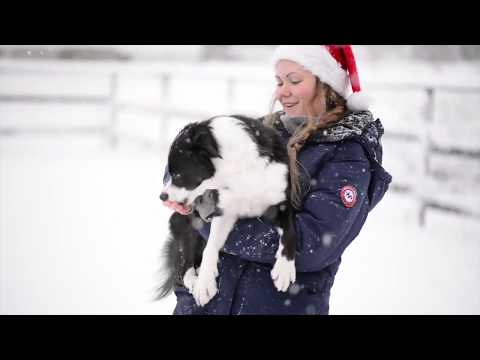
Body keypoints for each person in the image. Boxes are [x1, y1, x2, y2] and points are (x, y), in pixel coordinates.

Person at [161, 45, 392, 315]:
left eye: (294, 80)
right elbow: (186, 162)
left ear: (328, 86)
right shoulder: (265, 130)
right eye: (279, 81)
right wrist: (192, 196)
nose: (282, 91)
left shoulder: (346, 157)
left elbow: (311, 246)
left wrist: (212, 215)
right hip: (204, 306)